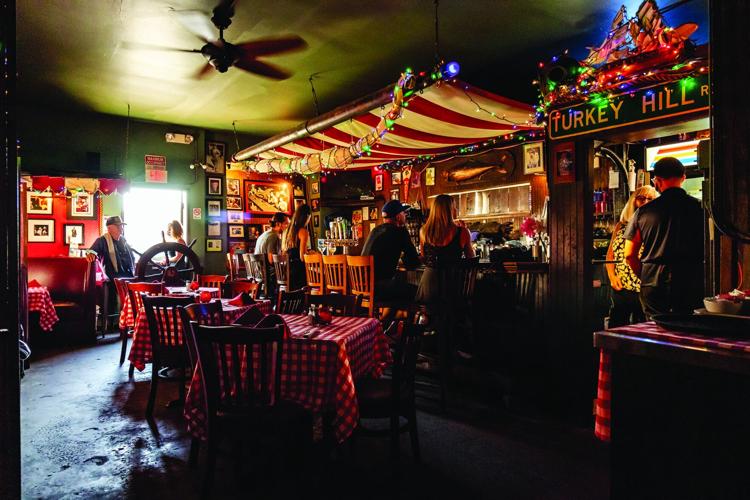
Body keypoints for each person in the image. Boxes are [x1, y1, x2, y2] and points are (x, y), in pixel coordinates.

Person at [624, 157, 705, 319]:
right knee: (687, 326)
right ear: (683, 178)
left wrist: (645, 276)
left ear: (657, 181)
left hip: (653, 280)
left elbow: (629, 254)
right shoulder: (700, 208)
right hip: (690, 279)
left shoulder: (643, 212)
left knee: (655, 328)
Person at [605, 186, 658, 327]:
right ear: (633, 201)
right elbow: (610, 254)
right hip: (621, 287)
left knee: (644, 328)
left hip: (643, 287)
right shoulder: (621, 226)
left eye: (650, 199)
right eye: (641, 198)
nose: (645, 201)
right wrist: (612, 276)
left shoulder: (654, 225)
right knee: (616, 326)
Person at [415, 194, 475, 306]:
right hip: (452, 282)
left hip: (429, 282)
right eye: (454, 206)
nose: (456, 209)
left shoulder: (423, 231)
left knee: (429, 313)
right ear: (450, 209)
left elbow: (424, 257)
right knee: (452, 313)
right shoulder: (462, 232)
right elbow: (471, 259)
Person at [362, 200, 421, 304]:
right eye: (404, 213)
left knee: (398, 286)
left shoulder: (374, 231)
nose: (405, 215)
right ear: (398, 217)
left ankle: (390, 314)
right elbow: (413, 262)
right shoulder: (400, 232)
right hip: (379, 288)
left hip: (362, 286)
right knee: (419, 292)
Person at [282, 204, 312, 290]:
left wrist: (307, 252)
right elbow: (302, 257)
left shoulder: (286, 231)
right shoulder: (303, 231)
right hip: (298, 274)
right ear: (307, 216)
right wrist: (311, 254)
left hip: (286, 271)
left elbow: (286, 251)